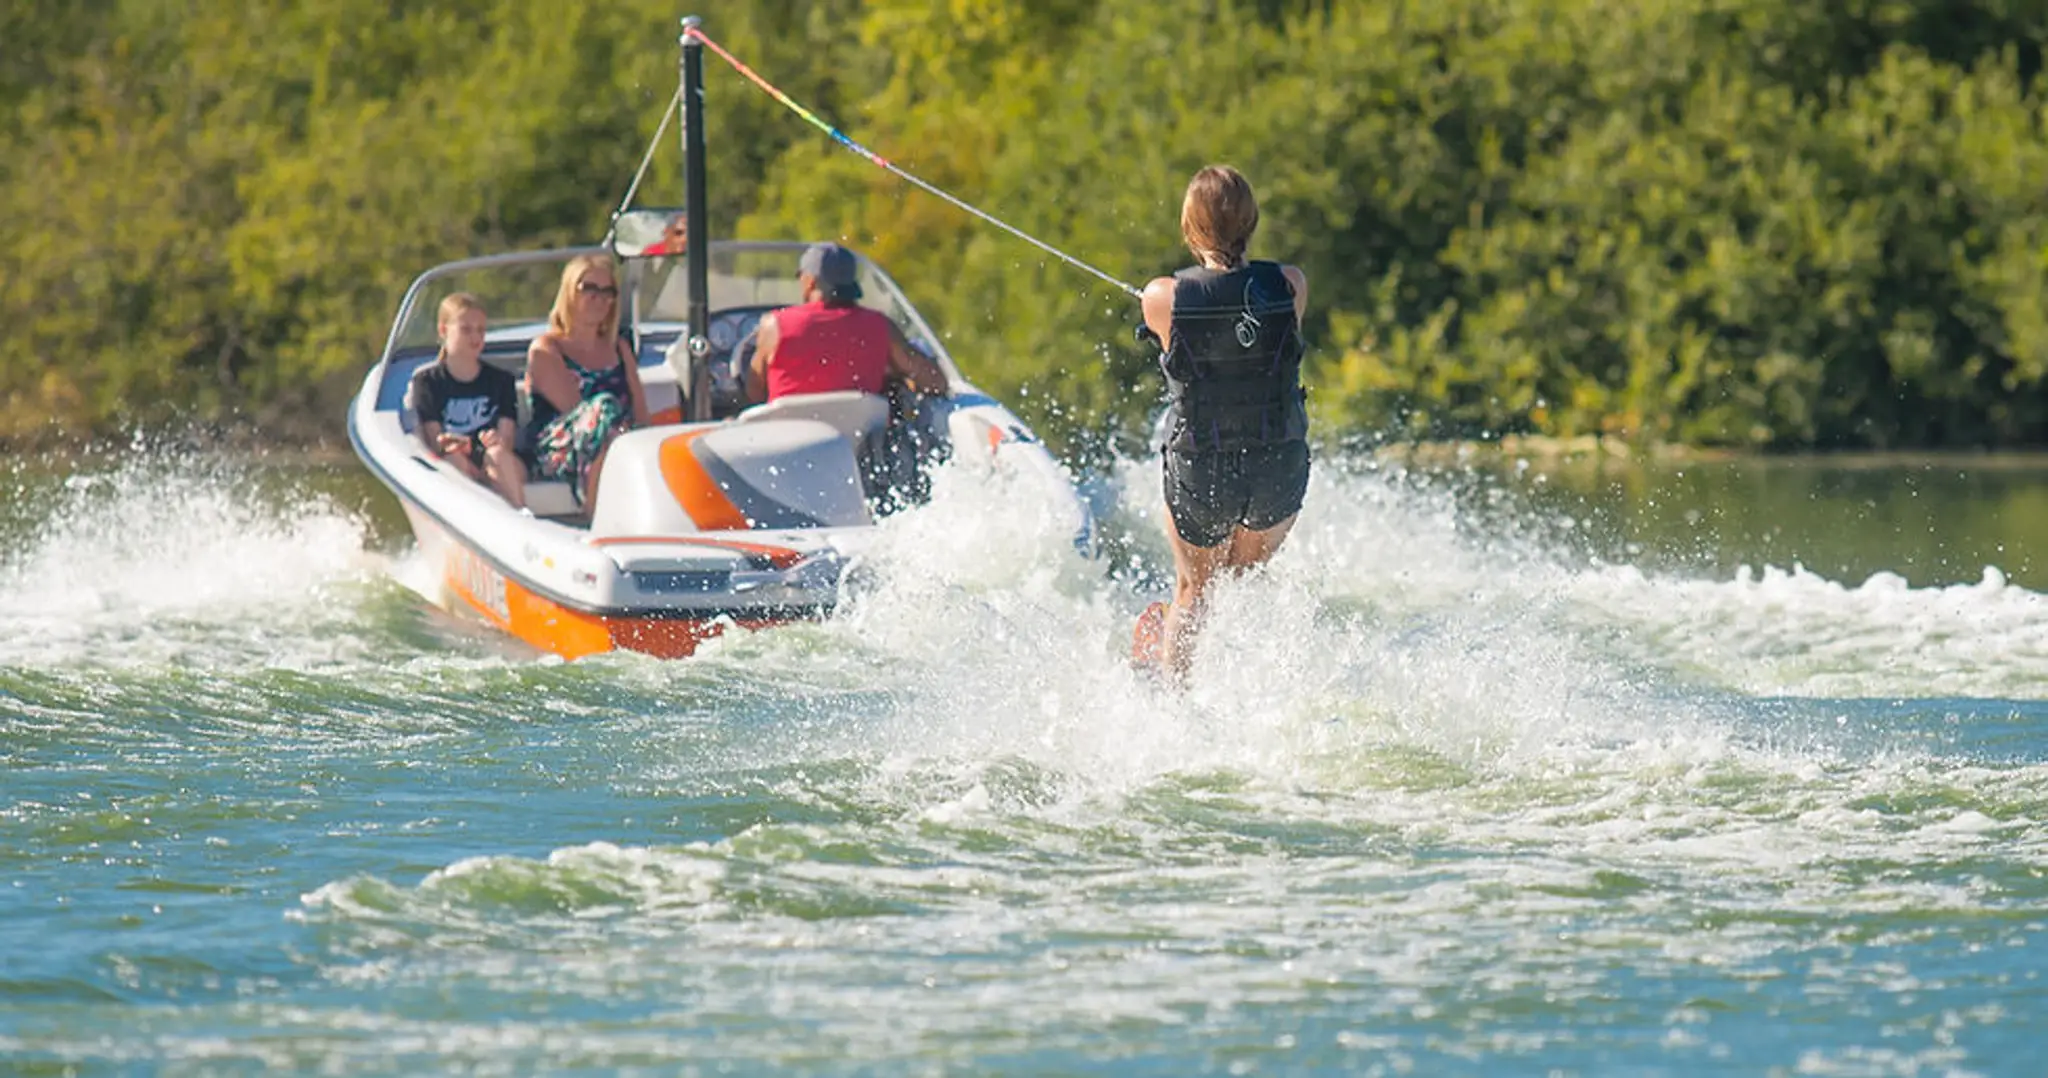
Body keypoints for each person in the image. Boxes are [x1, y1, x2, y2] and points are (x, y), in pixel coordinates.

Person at [1137, 165, 1310, 680]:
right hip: (1277, 466)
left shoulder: (1160, 296)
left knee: (1195, 590)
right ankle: (1237, 683)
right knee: (1238, 580)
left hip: (1203, 471)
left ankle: (1175, 693)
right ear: (1251, 222)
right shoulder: (1291, 284)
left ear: (1189, 226)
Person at [745, 242, 949, 404]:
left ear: (809, 281)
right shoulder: (880, 327)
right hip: (858, 441)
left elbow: (754, 393)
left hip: (790, 441)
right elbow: (936, 382)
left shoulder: (775, 326)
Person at [525, 254, 649, 513]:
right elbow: (577, 412)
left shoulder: (620, 347)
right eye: (589, 288)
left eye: (607, 291)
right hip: (561, 451)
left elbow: (641, 414)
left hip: (619, 440)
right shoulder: (546, 349)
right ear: (569, 293)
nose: (599, 298)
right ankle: (596, 518)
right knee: (605, 411)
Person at [409, 292, 527, 509]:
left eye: (480, 330)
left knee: (497, 455)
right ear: (443, 330)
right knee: (453, 460)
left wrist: (493, 441)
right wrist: (458, 446)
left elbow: (507, 439)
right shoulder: (427, 382)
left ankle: (521, 517)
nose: (475, 338)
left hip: (498, 461)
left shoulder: (501, 380)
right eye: (466, 330)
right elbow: (435, 440)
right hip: (455, 460)